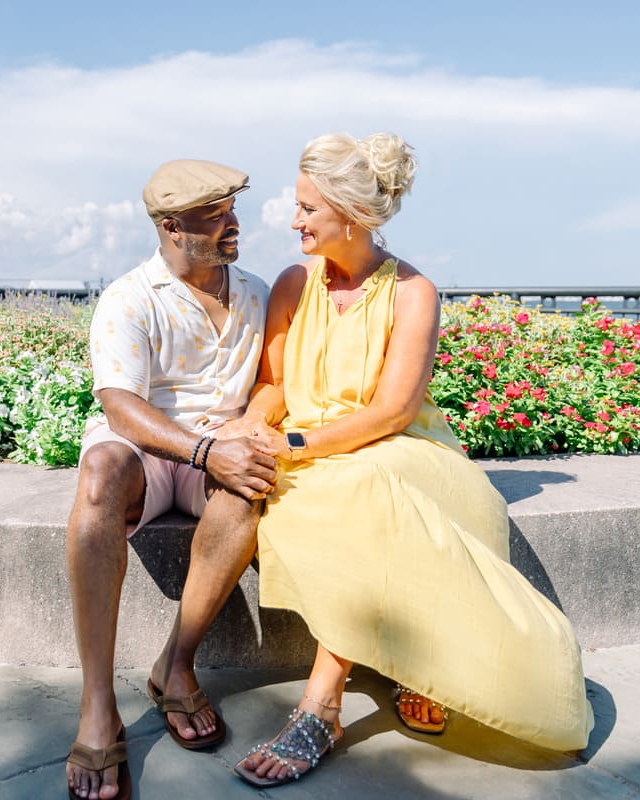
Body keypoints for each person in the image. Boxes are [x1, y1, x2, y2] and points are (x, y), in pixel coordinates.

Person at [230, 133, 595, 787]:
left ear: (352, 212)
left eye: (309, 208)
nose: (294, 221)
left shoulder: (413, 292)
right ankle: (411, 665)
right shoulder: (293, 283)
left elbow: (392, 413)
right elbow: (276, 385)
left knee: (367, 486)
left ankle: (321, 704)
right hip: (314, 451)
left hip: (402, 451)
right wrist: (252, 430)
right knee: (344, 492)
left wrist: (292, 445)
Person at [65, 159, 276, 800]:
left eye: (232, 209)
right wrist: (204, 450)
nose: (234, 222)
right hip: (149, 447)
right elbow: (120, 408)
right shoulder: (129, 298)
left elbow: (274, 377)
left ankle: (174, 668)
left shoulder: (260, 292)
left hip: (224, 447)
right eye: (216, 215)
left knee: (248, 490)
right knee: (99, 472)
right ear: (171, 227)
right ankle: (97, 703)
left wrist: (243, 435)